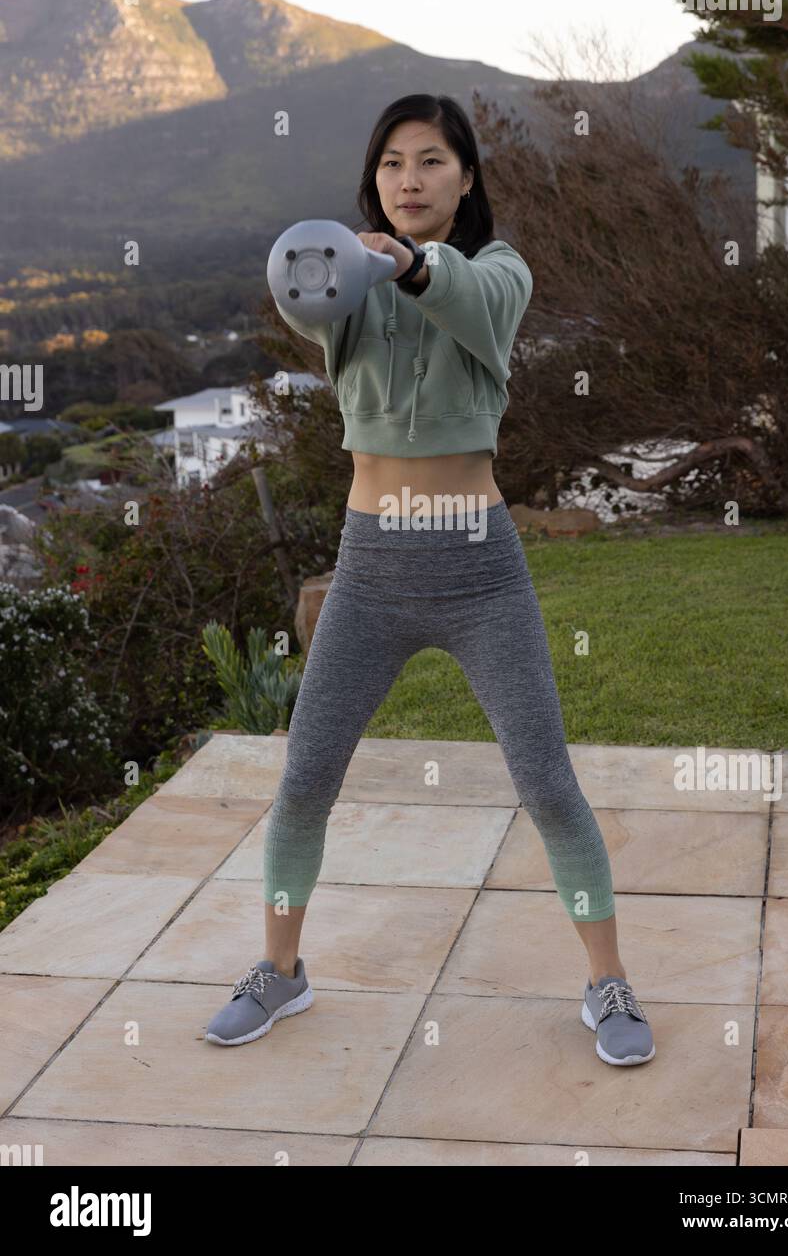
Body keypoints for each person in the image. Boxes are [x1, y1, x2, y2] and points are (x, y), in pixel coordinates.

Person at [205, 93, 654, 1066]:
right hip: (370, 567)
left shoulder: (499, 273)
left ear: (467, 177)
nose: (410, 179)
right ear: (374, 180)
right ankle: (281, 972)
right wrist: (346, 258)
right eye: (393, 164)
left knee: (547, 782)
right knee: (306, 779)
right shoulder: (346, 284)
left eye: (432, 162)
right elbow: (305, 291)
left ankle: (607, 981)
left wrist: (407, 260)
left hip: (478, 565)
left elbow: (467, 299)